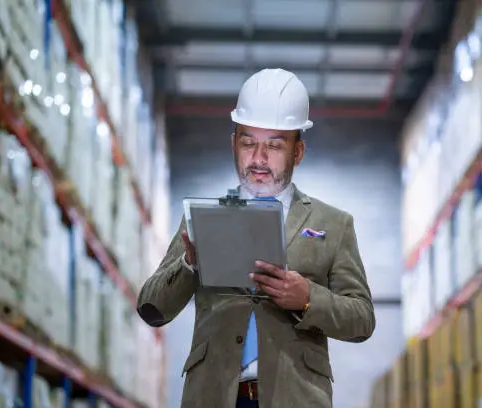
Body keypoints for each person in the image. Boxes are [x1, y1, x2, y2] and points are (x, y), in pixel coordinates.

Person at [137, 68, 376, 408]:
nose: (259, 159)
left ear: (298, 152)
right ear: (234, 143)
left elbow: (362, 319)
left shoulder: (333, 225)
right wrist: (189, 264)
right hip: (213, 396)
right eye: (249, 143)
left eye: (275, 146)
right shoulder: (204, 218)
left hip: (296, 397)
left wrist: (308, 298)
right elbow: (152, 308)